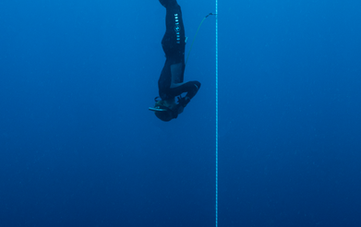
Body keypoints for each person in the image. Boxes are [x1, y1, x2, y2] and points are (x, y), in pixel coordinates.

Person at [149, 0, 201, 122]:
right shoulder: (164, 93)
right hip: (171, 46)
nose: (175, 107)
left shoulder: (169, 92)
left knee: (173, 6)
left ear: (168, 106)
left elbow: (195, 85)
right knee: (172, 6)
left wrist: (183, 104)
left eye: (174, 109)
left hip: (174, 45)